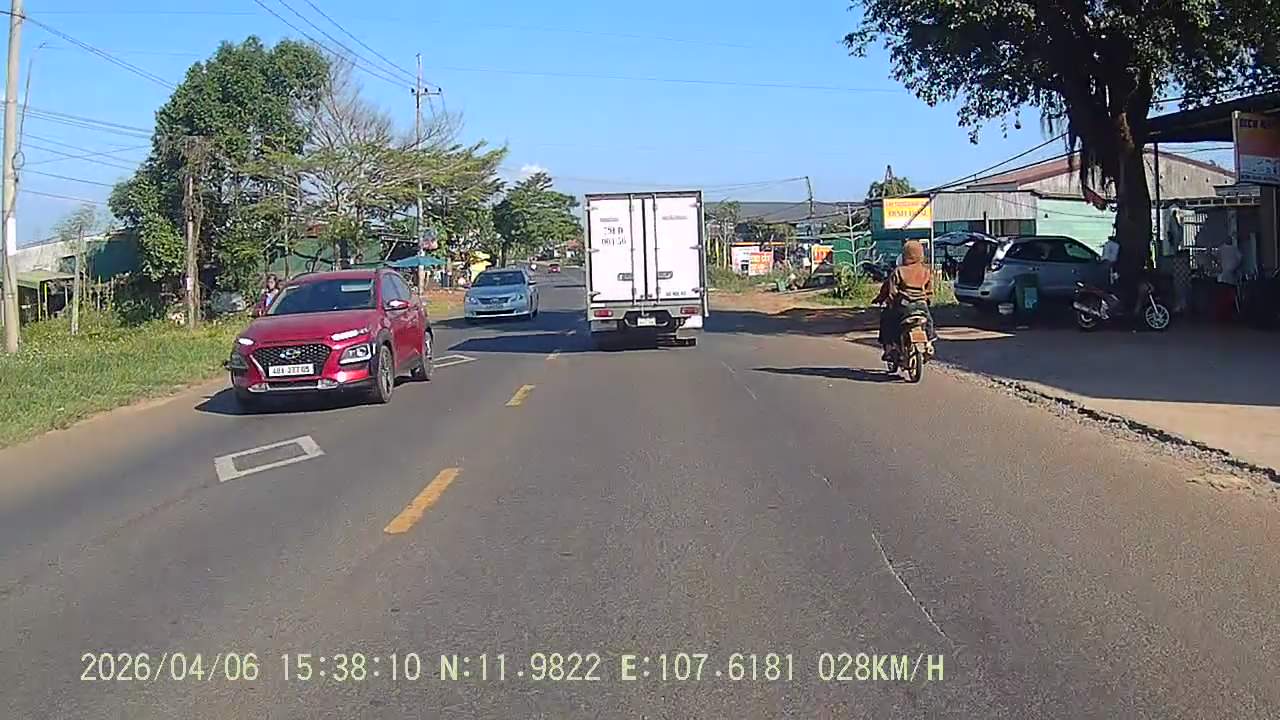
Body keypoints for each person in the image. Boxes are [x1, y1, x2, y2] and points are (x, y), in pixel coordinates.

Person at [875, 240, 936, 361]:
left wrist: (888, 301)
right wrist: (926, 300)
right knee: (928, 322)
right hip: (922, 305)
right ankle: (929, 343)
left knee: (888, 320)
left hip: (904, 306)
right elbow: (929, 291)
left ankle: (890, 348)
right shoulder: (925, 271)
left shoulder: (899, 271)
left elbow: (892, 291)